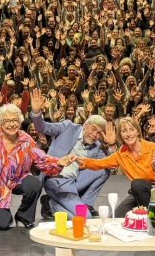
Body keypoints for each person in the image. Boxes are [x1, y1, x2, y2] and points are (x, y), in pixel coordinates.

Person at [0, 104, 70, 230]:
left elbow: (41, 159)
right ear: (1, 123)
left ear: (20, 121)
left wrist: (58, 162)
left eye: (15, 120)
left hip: (17, 178)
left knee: (34, 184)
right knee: (2, 224)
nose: (12, 124)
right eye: (7, 121)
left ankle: (24, 217)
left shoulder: (26, 139)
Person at [29, 89, 115, 220]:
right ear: (85, 125)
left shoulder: (96, 146)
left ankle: (85, 204)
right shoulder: (68, 126)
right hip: (57, 179)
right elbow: (43, 128)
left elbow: (111, 164)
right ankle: (51, 205)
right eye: (93, 129)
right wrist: (36, 113)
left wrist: (111, 145)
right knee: (85, 218)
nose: (94, 135)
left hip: (75, 181)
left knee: (104, 169)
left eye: (98, 133)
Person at [75, 116, 155, 217]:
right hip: (140, 193)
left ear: (137, 132)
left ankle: (151, 218)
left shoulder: (153, 149)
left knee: (137, 184)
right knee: (115, 218)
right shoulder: (122, 153)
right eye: (124, 131)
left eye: (131, 129)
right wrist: (79, 160)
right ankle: (143, 214)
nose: (128, 134)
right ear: (121, 135)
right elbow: (100, 163)